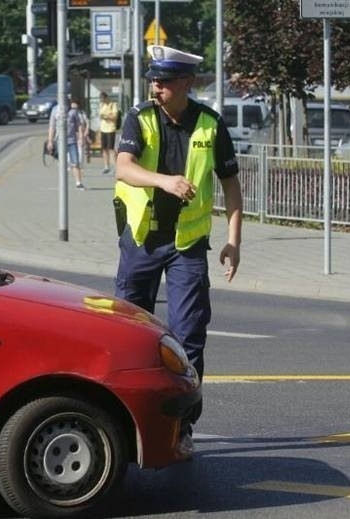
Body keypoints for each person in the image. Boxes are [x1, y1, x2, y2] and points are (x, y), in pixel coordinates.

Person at [113, 45, 243, 453]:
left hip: (187, 246)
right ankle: (120, 420)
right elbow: (123, 167)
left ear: (186, 83)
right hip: (142, 242)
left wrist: (234, 240)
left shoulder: (210, 124)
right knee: (126, 332)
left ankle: (182, 427)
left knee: (189, 338)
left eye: (165, 80)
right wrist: (164, 181)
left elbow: (232, 186)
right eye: (154, 79)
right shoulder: (141, 117)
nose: (157, 86)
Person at [46, 96, 86, 190]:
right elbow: (52, 127)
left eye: (67, 102)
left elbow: (79, 126)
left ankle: (78, 182)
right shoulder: (55, 110)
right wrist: (50, 141)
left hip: (72, 141)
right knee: (62, 163)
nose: (66, 103)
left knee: (75, 162)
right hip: (60, 141)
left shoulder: (73, 111)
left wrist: (81, 138)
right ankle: (62, 183)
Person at [98, 91, 119, 174]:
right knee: (104, 149)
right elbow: (100, 115)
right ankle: (106, 166)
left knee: (111, 149)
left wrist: (106, 116)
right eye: (101, 99)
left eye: (103, 99)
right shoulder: (102, 105)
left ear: (106, 98)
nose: (102, 101)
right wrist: (104, 116)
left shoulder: (113, 105)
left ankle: (115, 167)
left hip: (111, 129)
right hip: (103, 129)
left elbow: (114, 117)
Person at [71, 98, 90, 166]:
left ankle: (80, 165)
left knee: (80, 150)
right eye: (72, 107)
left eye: (75, 107)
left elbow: (87, 122)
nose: (74, 109)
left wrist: (87, 130)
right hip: (72, 134)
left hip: (81, 133)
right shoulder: (70, 113)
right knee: (72, 149)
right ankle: (73, 163)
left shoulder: (82, 113)